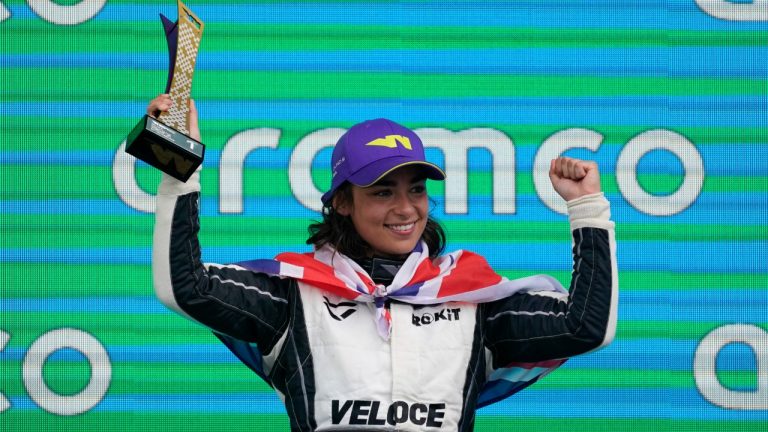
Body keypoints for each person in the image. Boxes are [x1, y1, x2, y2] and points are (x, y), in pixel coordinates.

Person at [149, 94, 618, 431]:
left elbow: (586, 328)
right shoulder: (297, 293)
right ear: (342, 204)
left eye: (416, 189)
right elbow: (185, 287)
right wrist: (178, 166)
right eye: (382, 191)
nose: (406, 208)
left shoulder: (470, 297)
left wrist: (587, 209)